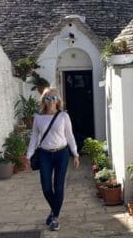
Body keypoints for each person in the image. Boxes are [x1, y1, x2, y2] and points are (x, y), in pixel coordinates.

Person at [27, 87, 80, 231]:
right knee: (46, 187)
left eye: (53, 98)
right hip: (44, 154)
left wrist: (75, 154)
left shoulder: (63, 116)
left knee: (58, 186)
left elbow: (69, 136)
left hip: (61, 154)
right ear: (44, 100)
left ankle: (55, 217)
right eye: (48, 98)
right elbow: (34, 138)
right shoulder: (38, 118)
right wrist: (28, 156)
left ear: (58, 100)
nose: (51, 101)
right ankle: (54, 209)